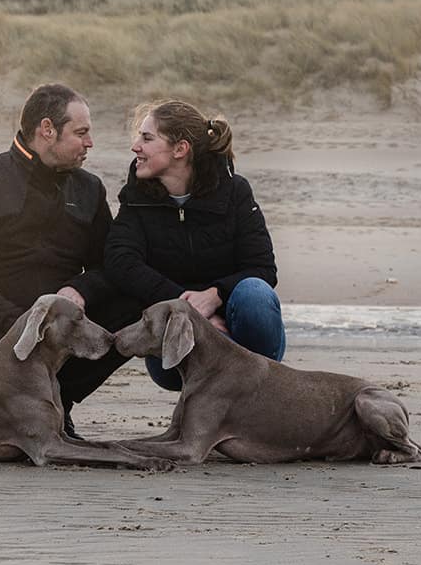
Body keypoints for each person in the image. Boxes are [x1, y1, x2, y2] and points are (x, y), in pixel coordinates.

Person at [0, 83, 137, 435]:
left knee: (132, 307)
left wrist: (80, 288)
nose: (90, 143)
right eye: (81, 132)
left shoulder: (89, 189)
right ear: (47, 130)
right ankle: (8, 412)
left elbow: (110, 265)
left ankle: (59, 402)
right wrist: (23, 323)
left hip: (59, 325)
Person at [103, 99, 285, 390]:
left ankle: (262, 390)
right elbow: (120, 262)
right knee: (206, 347)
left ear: (180, 149)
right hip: (175, 335)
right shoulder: (137, 197)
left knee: (255, 293)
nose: (135, 146)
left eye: (147, 138)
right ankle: (236, 398)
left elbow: (262, 268)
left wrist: (215, 295)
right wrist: (188, 311)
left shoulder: (235, 191)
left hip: (237, 327)